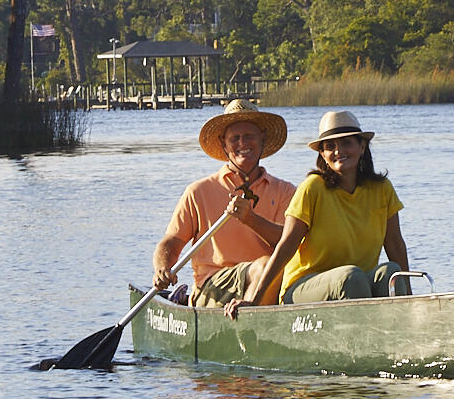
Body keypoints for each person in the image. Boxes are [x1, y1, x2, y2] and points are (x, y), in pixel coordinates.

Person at [225, 110, 414, 315]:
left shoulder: (382, 189)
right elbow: (286, 246)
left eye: (346, 143)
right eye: (330, 146)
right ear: (322, 154)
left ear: (362, 147)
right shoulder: (312, 188)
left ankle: (400, 333)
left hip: (354, 282)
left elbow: (395, 244)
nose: (338, 151)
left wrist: (414, 301)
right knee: (351, 277)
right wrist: (253, 300)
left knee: (391, 273)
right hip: (304, 288)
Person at [154, 100, 295, 307]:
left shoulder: (285, 191)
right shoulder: (199, 191)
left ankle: (251, 311)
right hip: (213, 287)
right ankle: (249, 322)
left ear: (262, 138)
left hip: (269, 284)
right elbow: (172, 242)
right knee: (265, 266)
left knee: (271, 269)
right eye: (235, 138)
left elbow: (291, 245)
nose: (242, 144)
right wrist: (162, 268)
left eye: (249, 136)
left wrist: (251, 220)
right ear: (223, 143)